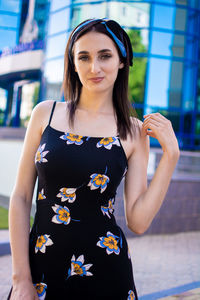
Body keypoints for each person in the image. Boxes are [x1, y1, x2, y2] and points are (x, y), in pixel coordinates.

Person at [7, 18, 180, 300]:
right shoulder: (45, 113)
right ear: (73, 63)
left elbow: (138, 221)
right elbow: (21, 197)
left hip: (107, 274)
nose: (94, 67)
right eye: (84, 57)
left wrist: (171, 155)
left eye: (105, 56)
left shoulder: (134, 132)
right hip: (40, 271)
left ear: (122, 61)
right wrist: (20, 278)